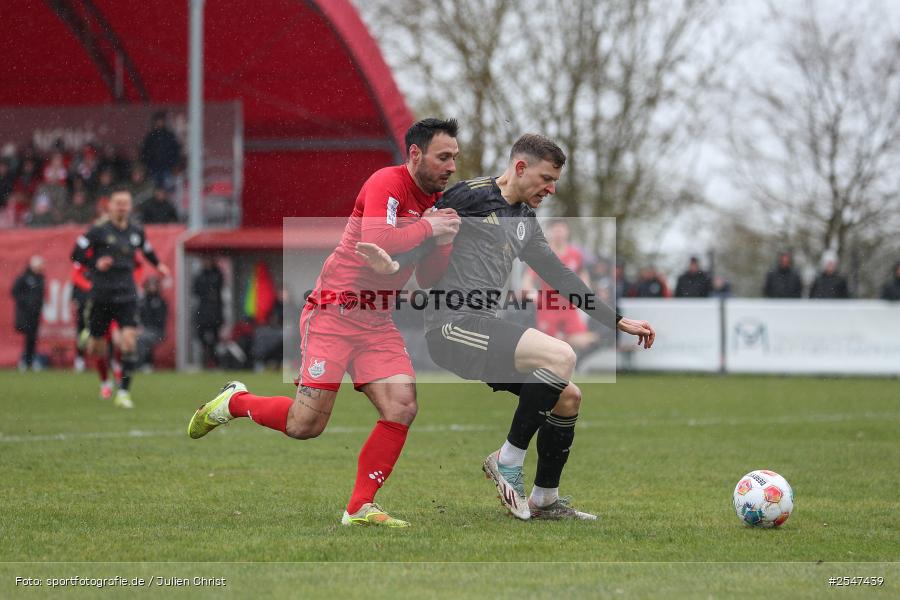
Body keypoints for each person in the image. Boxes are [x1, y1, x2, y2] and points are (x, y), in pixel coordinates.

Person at [358, 134, 655, 521]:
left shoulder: (525, 222)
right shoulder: (470, 196)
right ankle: (507, 460)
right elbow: (424, 233)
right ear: (520, 167)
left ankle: (545, 499)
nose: (551, 189)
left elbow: (559, 275)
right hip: (451, 327)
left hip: (483, 326)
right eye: (546, 179)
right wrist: (391, 266)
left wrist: (616, 320)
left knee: (568, 397)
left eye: (555, 182)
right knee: (561, 354)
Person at [186, 118, 463, 528]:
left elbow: (427, 277)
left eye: (455, 157)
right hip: (333, 313)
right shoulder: (386, 183)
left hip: (376, 321)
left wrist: (443, 241)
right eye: (444, 157)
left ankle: (359, 508)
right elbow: (379, 240)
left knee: (402, 406)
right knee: (305, 425)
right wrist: (429, 228)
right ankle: (233, 402)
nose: (452, 166)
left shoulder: (434, 207)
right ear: (415, 154)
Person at [71, 185, 170, 408]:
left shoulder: (136, 231)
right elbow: (75, 254)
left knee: (128, 342)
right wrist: (94, 263)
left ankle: (123, 393)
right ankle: (105, 379)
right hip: (101, 295)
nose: (122, 208)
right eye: (118, 203)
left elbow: (147, 250)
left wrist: (159, 265)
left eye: (126, 203)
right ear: (110, 205)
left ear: (130, 206)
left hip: (127, 295)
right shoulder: (97, 231)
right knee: (97, 346)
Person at [520, 219, 597, 353]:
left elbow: (583, 275)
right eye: (555, 230)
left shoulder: (575, 254)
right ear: (549, 233)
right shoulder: (542, 254)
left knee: (582, 341)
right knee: (547, 345)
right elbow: (527, 281)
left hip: (569, 305)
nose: (558, 234)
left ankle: (564, 341)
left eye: (561, 230)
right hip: (548, 305)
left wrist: (584, 295)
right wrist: (534, 296)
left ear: (567, 232)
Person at [12, 256, 45, 371]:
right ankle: (25, 360)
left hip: (35, 313)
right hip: (25, 313)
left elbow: (40, 296)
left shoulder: (40, 278)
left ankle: (30, 360)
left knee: (33, 338)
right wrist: (26, 302)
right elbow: (14, 291)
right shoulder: (24, 277)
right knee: (28, 337)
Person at [192, 257, 225, 368]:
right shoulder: (200, 275)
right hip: (203, 312)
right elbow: (196, 290)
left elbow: (217, 286)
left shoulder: (217, 274)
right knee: (201, 337)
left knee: (215, 338)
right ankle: (206, 359)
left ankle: (215, 361)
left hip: (215, 313)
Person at [140, 111, 181, 188]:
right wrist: (147, 164)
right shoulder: (150, 136)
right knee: (154, 189)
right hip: (154, 167)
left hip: (167, 167)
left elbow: (176, 151)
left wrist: (174, 164)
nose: (159, 123)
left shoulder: (169, 136)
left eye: (161, 121)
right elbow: (145, 152)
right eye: (158, 121)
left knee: (168, 188)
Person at [137, 277, 168, 370]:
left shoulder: (161, 302)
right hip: (143, 330)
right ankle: (128, 365)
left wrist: (145, 328)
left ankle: (143, 364)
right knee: (132, 338)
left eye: (154, 285)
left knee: (142, 339)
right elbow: (138, 317)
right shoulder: (142, 301)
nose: (152, 288)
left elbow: (160, 320)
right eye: (150, 285)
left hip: (157, 331)